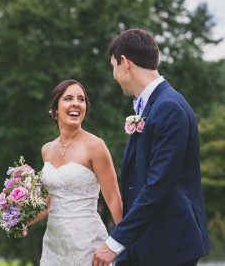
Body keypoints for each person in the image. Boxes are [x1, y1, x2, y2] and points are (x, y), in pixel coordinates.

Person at [93, 28, 210, 266]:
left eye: (113, 66)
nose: (113, 75)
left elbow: (158, 185)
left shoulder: (169, 107)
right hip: (149, 242)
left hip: (169, 244)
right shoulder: (152, 106)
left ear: (125, 63)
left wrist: (115, 242)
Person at [28, 79, 123, 265]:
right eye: (68, 98)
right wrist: (20, 220)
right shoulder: (46, 150)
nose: (76, 103)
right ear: (55, 109)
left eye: (81, 99)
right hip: (53, 248)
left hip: (87, 245)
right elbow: (49, 203)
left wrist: (122, 243)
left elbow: (113, 200)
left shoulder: (95, 146)